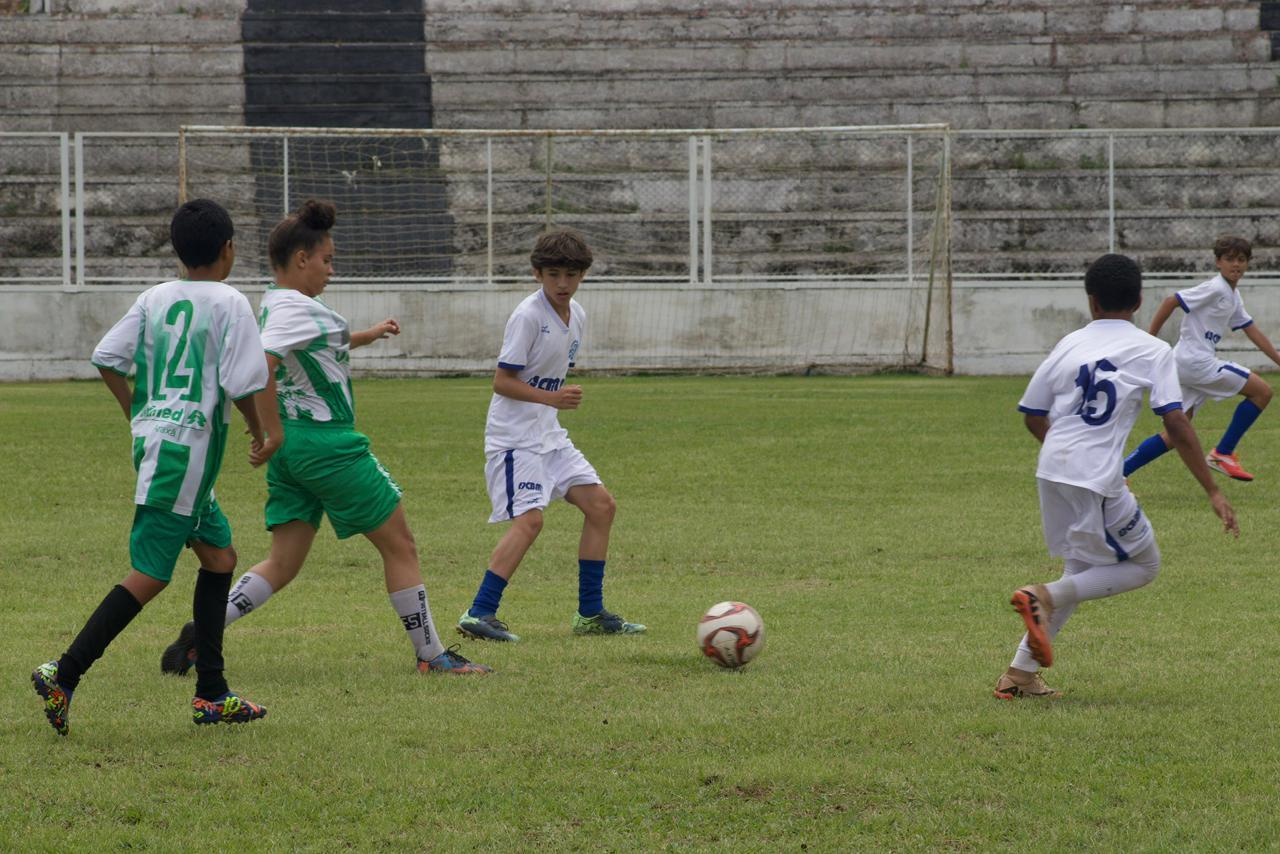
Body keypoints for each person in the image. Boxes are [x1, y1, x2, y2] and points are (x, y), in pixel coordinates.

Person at [159, 199, 489, 676]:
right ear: (301, 259)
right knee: (400, 545)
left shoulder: (277, 301)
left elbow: (312, 345)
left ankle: (204, 630)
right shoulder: (296, 308)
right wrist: (267, 428)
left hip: (293, 452)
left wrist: (368, 334)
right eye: (327, 260)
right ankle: (432, 656)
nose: (331, 270)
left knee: (283, 562)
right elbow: (263, 362)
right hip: (326, 445)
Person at [31, 199, 282, 735]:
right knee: (150, 574)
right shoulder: (231, 302)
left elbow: (106, 357)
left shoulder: (155, 297)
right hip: (184, 459)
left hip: (164, 449)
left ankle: (212, 692)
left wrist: (138, 414)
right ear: (229, 249)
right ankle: (64, 673)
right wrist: (260, 432)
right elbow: (243, 382)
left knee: (220, 557)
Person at [995, 253, 1238, 700]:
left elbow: (1032, 413)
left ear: (1091, 300)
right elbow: (1176, 422)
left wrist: (1066, 456)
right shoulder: (1152, 349)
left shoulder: (1069, 342)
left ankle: (1019, 676)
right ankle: (1041, 595)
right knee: (1144, 566)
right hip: (1094, 475)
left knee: (1081, 567)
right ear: (1140, 300)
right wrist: (1212, 489)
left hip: (1052, 469)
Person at [456, 229, 644, 643]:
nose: (562, 283)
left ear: (583, 275)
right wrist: (552, 397)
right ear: (537, 273)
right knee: (531, 521)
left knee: (601, 506)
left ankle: (590, 614)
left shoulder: (577, 316)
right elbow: (502, 381)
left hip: (548, 435)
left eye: (571, 275)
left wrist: (551, 403)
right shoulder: (528, 316)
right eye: (554, 274)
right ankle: (479, 612)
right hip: (514, 439)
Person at [1123, 236, 1280, 482]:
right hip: (1196, 362)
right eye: (1229, 259)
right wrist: (1150, 339)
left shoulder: (1232, 295)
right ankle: (1223, 453)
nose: (1236, 264)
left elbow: (1251, 330)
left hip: (1184, 365)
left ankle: (1118, 474)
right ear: (1218, 262)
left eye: (1241, 259)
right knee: (1262, 392)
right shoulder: (1216, 288)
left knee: (1174, 435)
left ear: (1248, 263)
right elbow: (1171, 301)